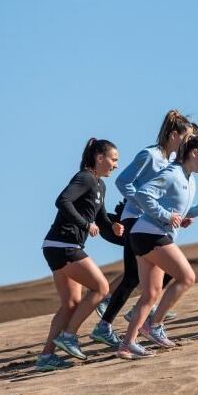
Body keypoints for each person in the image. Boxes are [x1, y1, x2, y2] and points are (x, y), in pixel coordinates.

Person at [90, 110, 192, 348]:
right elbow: (122, 181)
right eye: (186, 137)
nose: (188, 143)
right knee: (134, 275)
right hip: (134, 219)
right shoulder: (151, 155)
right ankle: (105, 325)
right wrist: (143, 202)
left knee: (155, 271)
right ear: (174, 135)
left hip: (151, 221)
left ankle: (137, 312)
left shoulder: (170, 161)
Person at [117, 135, 198, 359]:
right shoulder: (173, 173)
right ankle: (155, 325)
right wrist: (165, 215)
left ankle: (126, 344)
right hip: (150, 233)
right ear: (194, 153)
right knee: (187, 277)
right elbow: (143, 194)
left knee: (150, 294)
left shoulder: (189, 179)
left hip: (146, 234)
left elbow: (175, 210)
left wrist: (195, 211)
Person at [36, 139, 123, 371]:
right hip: (63, 244)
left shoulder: (100, 185)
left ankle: (46, 357)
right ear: (99, 157)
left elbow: (101, 217)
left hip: (58, 246)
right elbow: (62, 201)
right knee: (102, 288)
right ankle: (69, 336)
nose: (115, 165)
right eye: (113, 159)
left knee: (71, 303)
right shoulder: (85, 177)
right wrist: (85, 224)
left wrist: (113, 226)